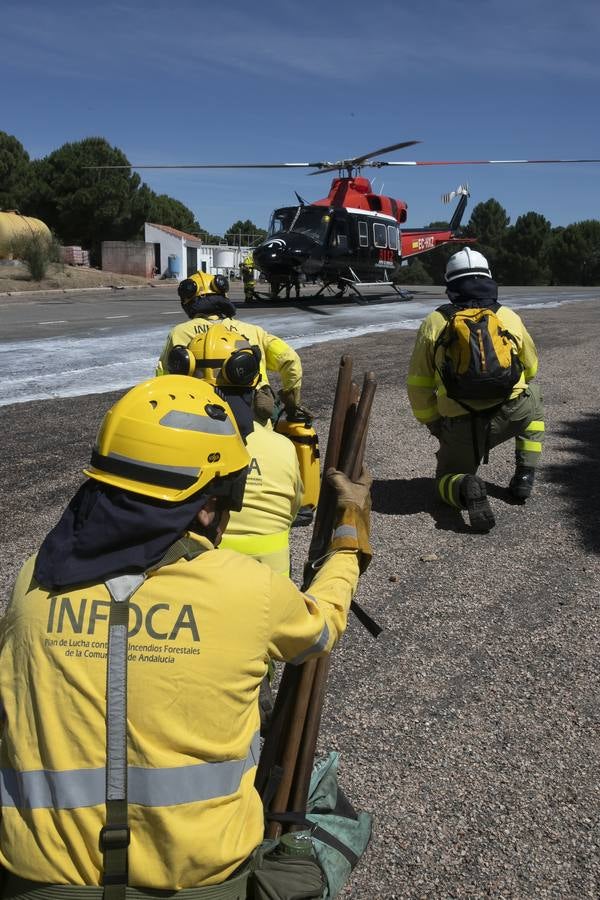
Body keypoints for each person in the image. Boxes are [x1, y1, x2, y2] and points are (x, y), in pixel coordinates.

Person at [0, 375, 372, 896]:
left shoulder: (33, 578)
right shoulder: (249, 590)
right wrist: (352, 534)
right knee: (326, 818)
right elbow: (323, 624)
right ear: (205, 504)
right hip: (201, 883)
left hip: (35, 883)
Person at [406, 247, 544, 532]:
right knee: (535, 400)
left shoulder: (435, 321)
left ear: (450, 285)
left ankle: (464, 484)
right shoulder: (508, 316)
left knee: (444, 483)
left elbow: (418, 385)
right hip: (512, 414)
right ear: (489, 279)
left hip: (461, 426)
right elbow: (531, 369)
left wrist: (434, 423)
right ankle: (525, 475)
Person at [167, 323, 303, 575]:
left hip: (194, 584)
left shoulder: (167, 447)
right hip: (273, 590)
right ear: (251, 378)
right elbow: (293, 512)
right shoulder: (283, 448)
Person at [156, 271, 305, 417]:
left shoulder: (179, 333)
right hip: (255, 417)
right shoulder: (254, 332)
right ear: (224, 298)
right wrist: (291, 404)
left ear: (187, 304)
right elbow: (290, 360)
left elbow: (162, 376)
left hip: (199, 417)